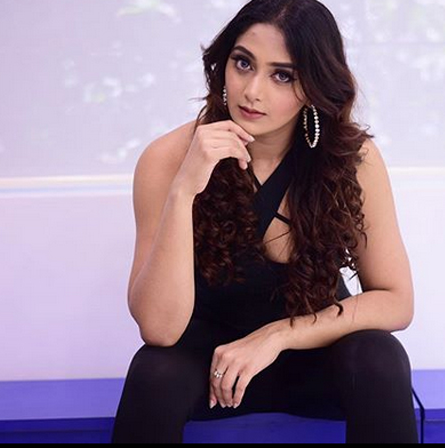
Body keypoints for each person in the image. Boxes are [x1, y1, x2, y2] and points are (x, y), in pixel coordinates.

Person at [111, 0, 417, 443]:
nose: (252, 91)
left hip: (312, 353)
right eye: (243, 63)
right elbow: (158, 329)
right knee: (153, 372)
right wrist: (183, 191)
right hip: (210, 366)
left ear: (313, 85)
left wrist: (276, 336)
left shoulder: (352, 159)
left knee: (380, 357)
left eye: (282, 75)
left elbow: (396, 301)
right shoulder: (167, 158)